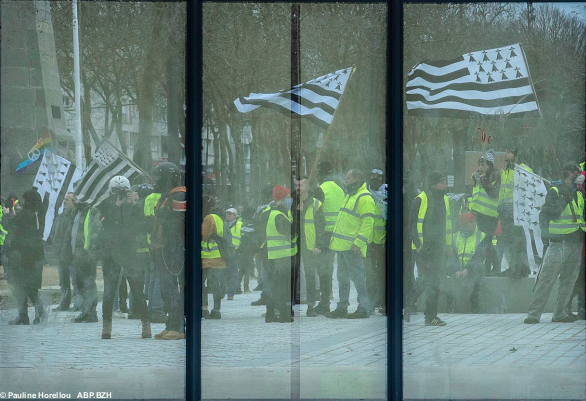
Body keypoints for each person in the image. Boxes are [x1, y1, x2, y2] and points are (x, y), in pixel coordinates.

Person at [524, 163, 585, 324]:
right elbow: (548, 214)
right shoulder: (555, 191)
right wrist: (546, 238)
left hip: (575, 242)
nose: (578, 175)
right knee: (547, 279)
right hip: (558, 243)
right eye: (575, 173)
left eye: (579, 172)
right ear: (566, 174)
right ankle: (534, 314)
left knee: (569, 280)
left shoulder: (579, 193)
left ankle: (559, 313)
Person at [97, 176, 150, 339]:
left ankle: (146, 326)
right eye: (116, 191)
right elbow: (102, 223)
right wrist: (116, 205)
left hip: (130, 253)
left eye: (123, 191)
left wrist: (133, 203)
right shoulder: (105, 205)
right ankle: (106, 328)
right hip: (111, 254)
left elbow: (143, 223)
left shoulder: (134, 206)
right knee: (109, 292)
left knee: (137, 291)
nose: (119, 194)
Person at [327, 168, 375, 319]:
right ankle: (342, 307)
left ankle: (364, 308)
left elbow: (368, 223)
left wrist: (358, 243)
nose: (345, 180)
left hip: (352, 247)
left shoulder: (364, 198)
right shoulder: (350, 195)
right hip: (342, 246)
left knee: (358, 278)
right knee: (342, 278)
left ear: (356, 179)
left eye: (348, 178)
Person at [409, 171, 453, 326]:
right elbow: (412, 225)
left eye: (445, 182)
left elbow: (448, 224)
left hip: (439, 248)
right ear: (433, 184)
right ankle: (429, 316)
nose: (445, 185)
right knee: (430, 282)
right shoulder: (420, 199)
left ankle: (411, 306)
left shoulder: (445, 199)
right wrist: (419, 245)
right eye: (442, 182)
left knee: (432, 282)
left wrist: (449, 245)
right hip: (424, 249)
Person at [151, 162, 186, 339]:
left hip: (173, 248)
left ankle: (179, 327)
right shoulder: (166, 196)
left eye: (158, 178)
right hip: (163, 247)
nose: (156, 182)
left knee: (172, 288)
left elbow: (180, 224)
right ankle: (171, 324)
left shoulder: (179, 195)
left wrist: (162, 216)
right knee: (166, 288)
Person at [3, 190, 46, 325]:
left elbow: (9, 226)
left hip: (23, 255)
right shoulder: (37, 213)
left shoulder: (25, 214)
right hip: (35, 255)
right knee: (31, 287)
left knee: (20, 286)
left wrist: (6, 215)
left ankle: (24, 316)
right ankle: (37, 314)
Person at [313, 161, 345, 315]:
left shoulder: (320, 190)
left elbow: (316, 214)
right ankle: (333, 298)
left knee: (323, 270)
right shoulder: (340, 189)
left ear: (320, 173)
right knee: (333, 269)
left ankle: (324, 302)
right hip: (338, 234)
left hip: (323, 235)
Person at [293, 176, 327, 317]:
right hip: (294, 246)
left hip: (309, 246)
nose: (298, 188)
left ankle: (311, 306)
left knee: (310, 276)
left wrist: (318, 245)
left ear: (307, 186)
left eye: (301, 185)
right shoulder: (291, 203)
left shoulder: (316, 204)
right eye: (296, 185)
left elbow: (321, 226)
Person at [262, 185, 296, 323]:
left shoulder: (273, 212)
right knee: (282, 287)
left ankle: (270, 313)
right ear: (281, 199)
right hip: (280, 255)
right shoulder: (279, 215)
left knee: (275, 286)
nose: (290, 200)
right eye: (288, 198)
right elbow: (290, 232)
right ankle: (283, 314)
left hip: (273, 254)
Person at [498, 147, 532, 278]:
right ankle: (514, 267)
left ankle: (521, 268)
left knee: (518, 241)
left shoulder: (524, 170)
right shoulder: (506, 171)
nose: (505, 154)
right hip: (505, 211)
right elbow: (503, 191)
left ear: (516, 154)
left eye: (508, 152)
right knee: (508, 241)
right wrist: (500, 207)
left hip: (517, 211)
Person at [469, 150, 500, 276]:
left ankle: (495, 267)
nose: (480, 168)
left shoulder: (495, 177)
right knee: (484, 243)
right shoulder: (478, 178)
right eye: (479, 165)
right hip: (479, 214)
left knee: (486, 242)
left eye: (483, 165)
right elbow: (477, 195)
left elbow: (494, 193)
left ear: (490, 166)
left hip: (490, 215)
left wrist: (484, 182)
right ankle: (487, 268)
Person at [50, 193, 82, 312]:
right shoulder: (61, 216)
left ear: (74, 202)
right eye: (64, 199)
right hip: (61, 254)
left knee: (76, 281)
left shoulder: (76, 216)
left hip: (72, 254)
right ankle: (64, 303)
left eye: (67, 200)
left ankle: (79, 304)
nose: (64, 202)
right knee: (63, 282)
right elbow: (55, 232)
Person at [451, 213, 487, 313]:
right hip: (459, 270)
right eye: (470, 222)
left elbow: (479, 256)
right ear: (463, 225)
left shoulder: (482, 236)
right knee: (451, 279)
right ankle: (452, 305)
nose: (473, 224)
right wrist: (456, 270)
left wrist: (468, 269)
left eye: (474, 221)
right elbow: (452, 256)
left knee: (474, 280)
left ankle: (475, 306)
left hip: (475, 269)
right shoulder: (454, 237)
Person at [367, 169, 387, 315]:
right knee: (369, 273)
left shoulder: (386, 193)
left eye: (378, 178)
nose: (375, 180)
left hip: (381, 241)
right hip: (368, 240)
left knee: (381, 273)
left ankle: (381, 301)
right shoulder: (365, 193)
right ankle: (371, 301)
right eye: (373, 177)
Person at [225, 207, 242, 301]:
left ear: (235, 216)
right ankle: (225, 290)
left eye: (230, 214)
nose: (228, 215)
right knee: (224, 273)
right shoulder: (222, 224)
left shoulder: (240, 225)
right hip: (224, 252)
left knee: (233, 273)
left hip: (235, 252)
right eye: (227, 213)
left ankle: (231, 292)